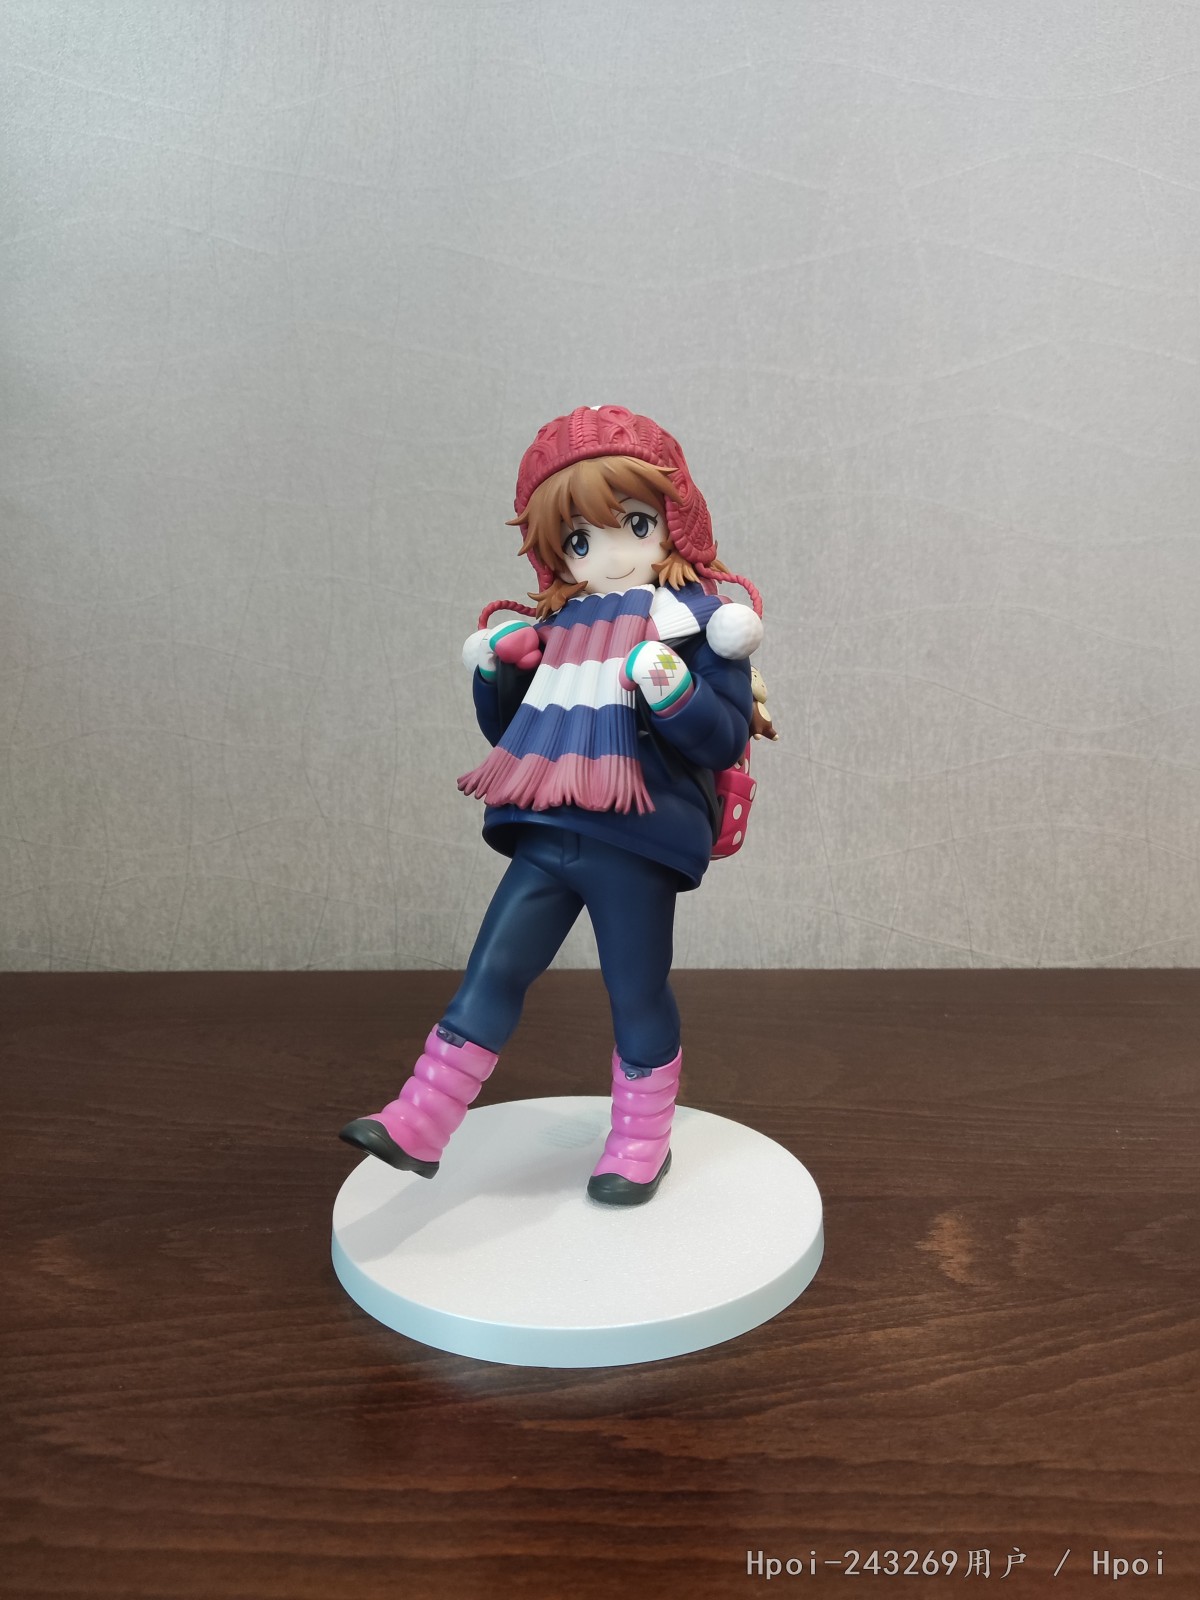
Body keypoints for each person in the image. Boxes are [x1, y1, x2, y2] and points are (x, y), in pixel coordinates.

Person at [339, 405, 765, 1204]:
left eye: (634, 524)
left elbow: (721, 736)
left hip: (638, 840)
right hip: (548, 828)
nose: (610, 554)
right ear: (556, 552)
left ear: (673, 524)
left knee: (634, 989)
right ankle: (420, 1119)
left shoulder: (699, 626)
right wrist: (500, 671)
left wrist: (671, 686)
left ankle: (641, 1141)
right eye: (579, 540)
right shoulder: (559, 627)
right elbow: (514, 732)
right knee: (494, 966)